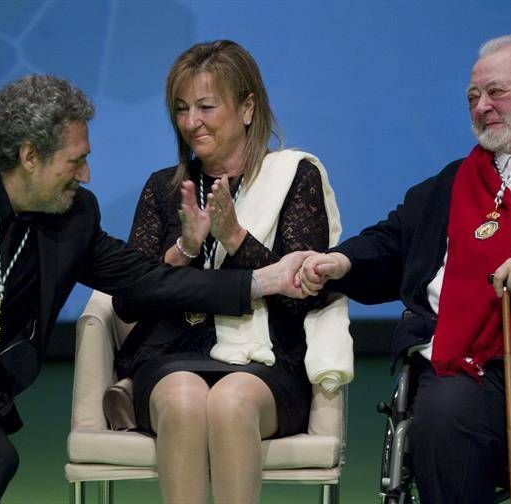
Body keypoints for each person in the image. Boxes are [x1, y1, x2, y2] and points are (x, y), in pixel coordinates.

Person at [0, 74, 308, 504]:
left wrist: (256, 282)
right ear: (28, 156)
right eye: (76, 161)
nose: (85, 175)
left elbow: (149, 280)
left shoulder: (72, 217)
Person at [299, 35, 511, 503]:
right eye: (473, 97)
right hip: (471, 356)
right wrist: (341, 261)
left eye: (496, 92)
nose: (481, 106)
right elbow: (392, 240)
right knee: (441, 420)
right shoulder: (450, 183)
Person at [110, 40, 351, 504]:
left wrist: (236, 239)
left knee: (230, 402)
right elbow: (128, 301)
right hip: (171, 353)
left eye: (206, 106)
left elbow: (305, 290)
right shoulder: (164, 189)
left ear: (247, 108)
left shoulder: (294, 178)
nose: (190, 122)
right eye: (181, 109)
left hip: (269, 361)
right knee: (182, 402)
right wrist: (184, 249)